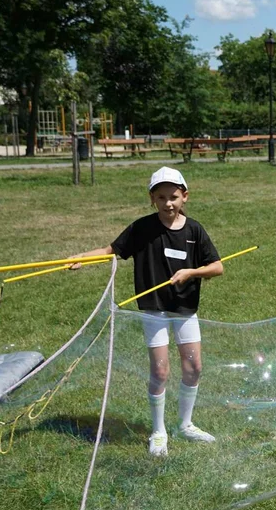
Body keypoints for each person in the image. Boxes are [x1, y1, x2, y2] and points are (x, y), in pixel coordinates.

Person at [72, 167, 223, 456]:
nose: (168, 203)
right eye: (161, 197)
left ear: (185, 197)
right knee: (160, 370)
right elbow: (109, 251)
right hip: (153, 309)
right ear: (151, 198)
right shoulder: (142, 229)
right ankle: (158, 431)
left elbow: (217, 267)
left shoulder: (195, 230)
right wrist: (82, 258)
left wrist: (191, 272)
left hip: (184, 308)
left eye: (174, 197)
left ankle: (185, 424)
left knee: (194, 367)